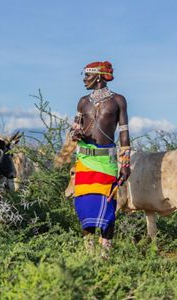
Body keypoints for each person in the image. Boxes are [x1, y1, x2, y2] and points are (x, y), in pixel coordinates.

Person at [70, 60, 131, 255]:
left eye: (87, 76)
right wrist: (75, 134)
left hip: (106, 162)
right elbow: (75, 129)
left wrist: (125, 164)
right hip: (85, 162)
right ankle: (88, 254)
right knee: (85, 206)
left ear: (98, 77)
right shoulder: (82, 102)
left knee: (108, 209)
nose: (84, 80)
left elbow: (124, 134)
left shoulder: (118, 101)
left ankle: (105, 256)